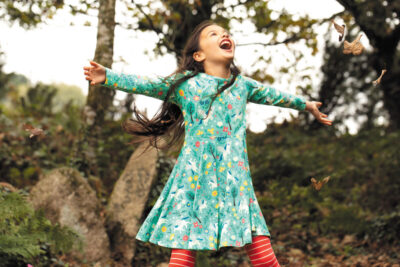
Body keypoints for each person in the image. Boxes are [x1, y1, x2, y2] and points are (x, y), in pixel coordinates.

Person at [83, 20, 332, 267]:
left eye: (226, 33)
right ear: (199, 54)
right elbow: (149, 84)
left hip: (235, 181)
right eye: (213, 34)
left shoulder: (241, 85)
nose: (224, 35)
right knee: (183, 256)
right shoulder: (186, 84)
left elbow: (273, 95)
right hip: (193, 180)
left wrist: (305, 104)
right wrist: (108, 76)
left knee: (264, 256)